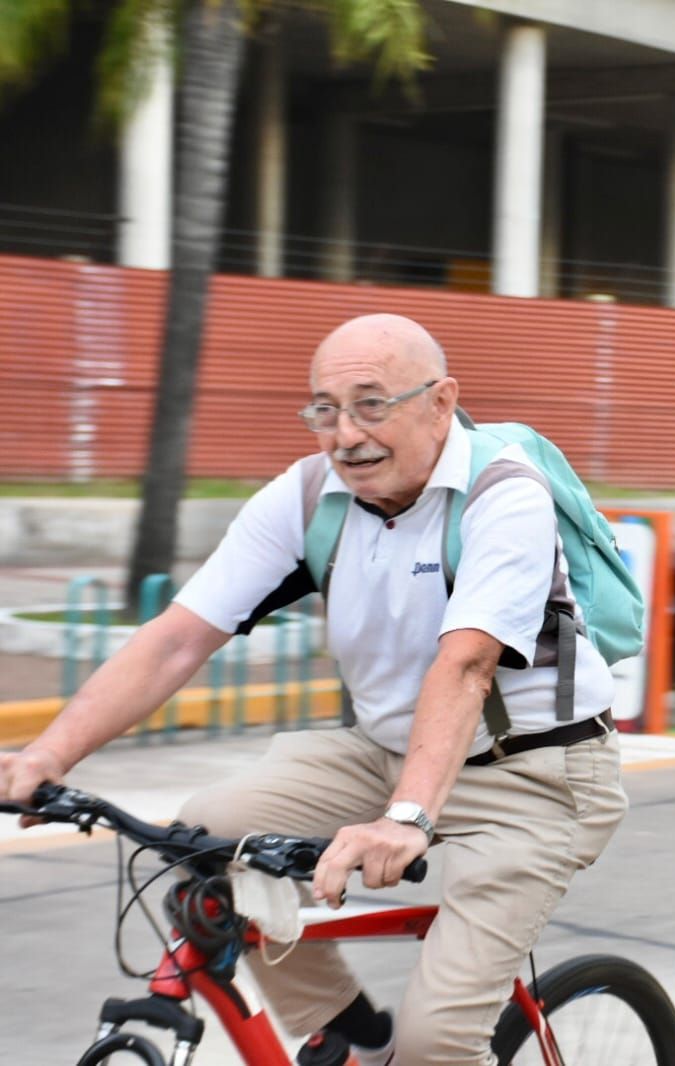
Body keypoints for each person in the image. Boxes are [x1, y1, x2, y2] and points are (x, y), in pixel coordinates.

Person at [0, 314, 627, 1066]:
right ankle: (353, 1035)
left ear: (439, 402)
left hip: (539, 775)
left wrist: (405, 819)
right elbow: (176, 638)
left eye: (371, 403)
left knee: (437, 1046)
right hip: (388, 754)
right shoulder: (306, 497)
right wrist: (47, 756)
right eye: (325, 408)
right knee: (202, 844)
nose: (345, 434)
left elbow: (465, 665)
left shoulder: (502, 495)